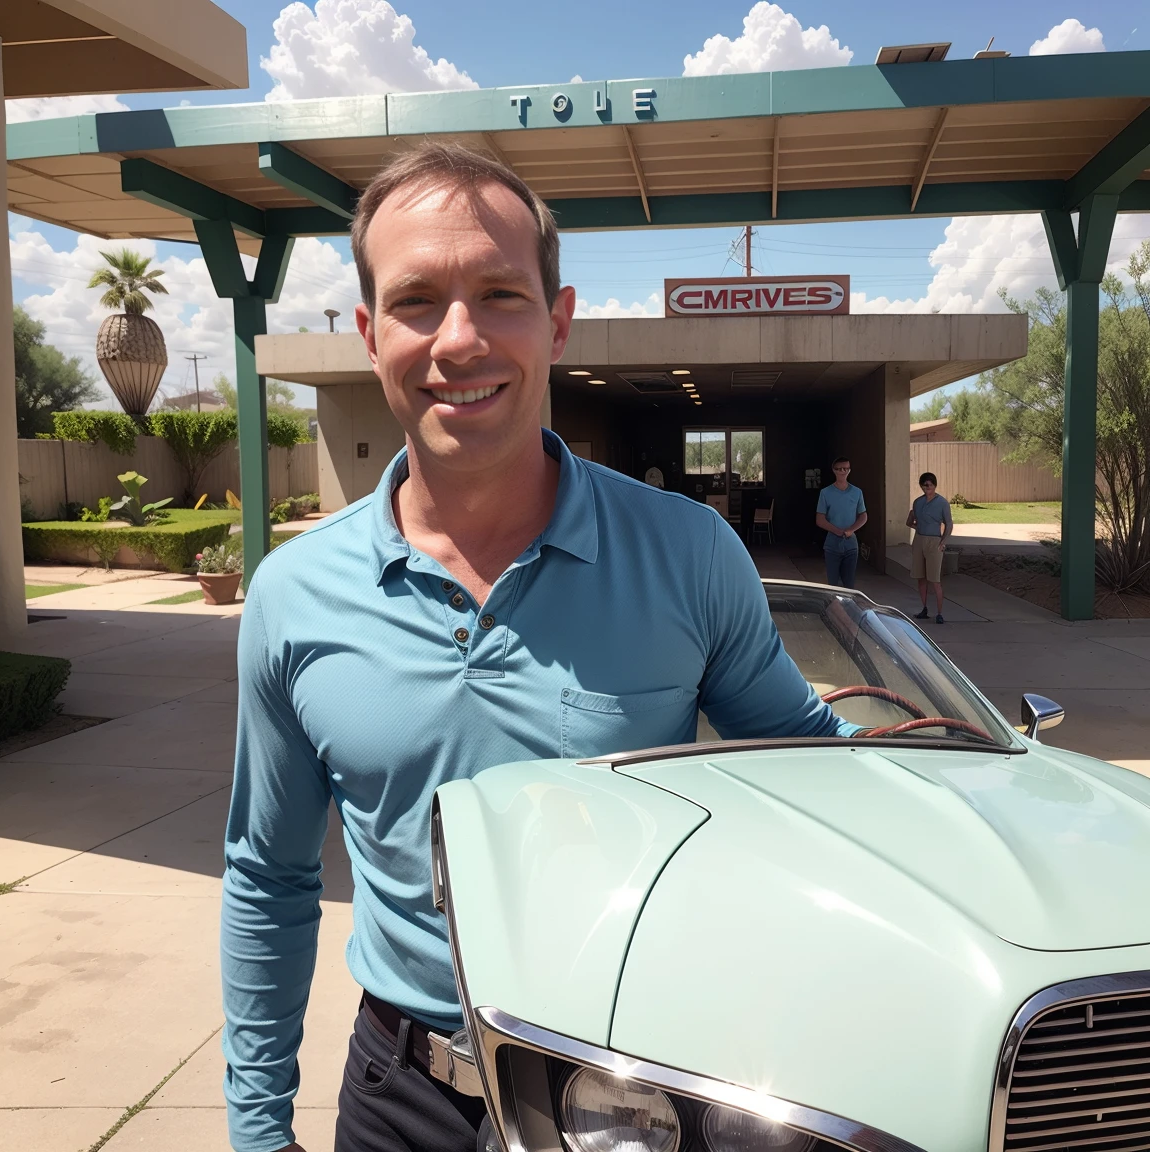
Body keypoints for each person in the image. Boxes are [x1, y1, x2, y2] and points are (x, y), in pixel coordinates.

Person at [220, 142, 861, 1152]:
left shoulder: (688, 554)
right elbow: (268, 874)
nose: (460, 340)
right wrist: (256, 1132)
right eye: (418, 300)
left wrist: (957, 774)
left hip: (635, 1094)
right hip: (397, 1094)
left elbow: (810, 776)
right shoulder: (293, 596)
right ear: (368, 332)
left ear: (558, 323)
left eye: (501, 295)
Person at [906, 471, 953, 623]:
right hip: (919, 539)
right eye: (924, 485)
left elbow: (949, 523)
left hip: (934, 541)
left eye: (930, 485)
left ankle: (939, 613)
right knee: (921, 577)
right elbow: (910, 520)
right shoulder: (918, 502)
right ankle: (924, 608)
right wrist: (916, 526)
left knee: (935, 579)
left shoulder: (942, 503)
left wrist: (943, 541)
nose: (927, 487)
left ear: (934, 485)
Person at [815, 457, 867, 588]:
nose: (842, 471)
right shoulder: (825, 493)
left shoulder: (857, 492)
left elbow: (863, 515)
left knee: (849, 584)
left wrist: (851, 529)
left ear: (849, 470)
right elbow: (820, 519)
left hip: (851, 544)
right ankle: (834, 608)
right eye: (839, 469)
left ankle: (848, 609)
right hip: (832, 544)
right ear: (834, 470)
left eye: (845, 469)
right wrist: (837, 531)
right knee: (833, 584)